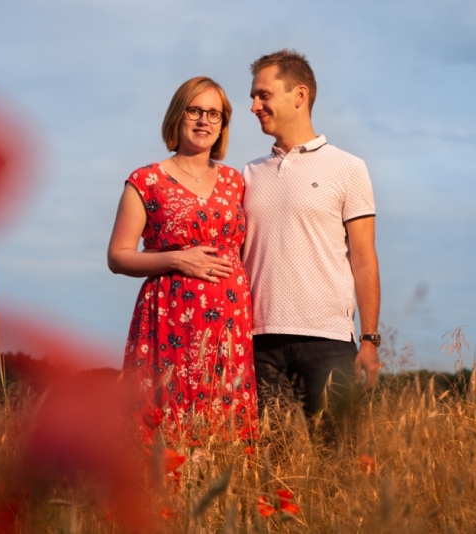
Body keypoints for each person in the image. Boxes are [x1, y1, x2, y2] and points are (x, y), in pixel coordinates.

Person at [107, 77, 259, 446]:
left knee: (224, 429)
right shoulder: (146, 180)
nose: (204, 121)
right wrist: (177, 259)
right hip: (169, 317)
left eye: (214, 114)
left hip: (229, 324)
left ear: (223, 125)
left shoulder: (235, 181)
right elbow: (118, 256)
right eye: (195, 110)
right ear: (178, 115)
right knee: (165, 423)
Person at [242, 50, 381, 432]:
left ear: (299, 95)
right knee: (273, 468)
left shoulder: (349, 168)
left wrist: (369, 340)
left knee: (337, 463)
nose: (254, 106)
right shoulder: (247, 174)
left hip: (328, 341)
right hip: (258, 343)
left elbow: (364, 259)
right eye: (253, 97)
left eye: (263, 95)